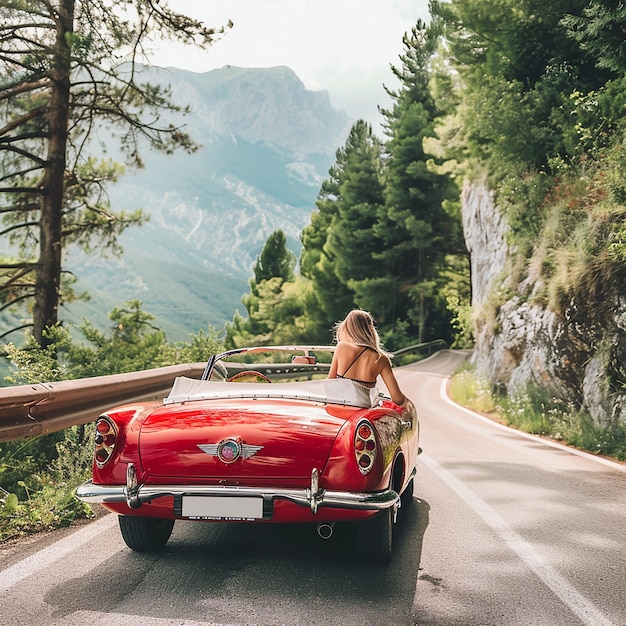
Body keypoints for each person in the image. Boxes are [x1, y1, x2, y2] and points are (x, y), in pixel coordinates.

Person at [328, 309, 407, 406]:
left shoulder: (342, 347)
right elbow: (397, 398)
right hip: (363, 413)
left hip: (340, 409)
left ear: (348, 328)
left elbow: (329, 384)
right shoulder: (381, 359)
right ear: (370, 329)